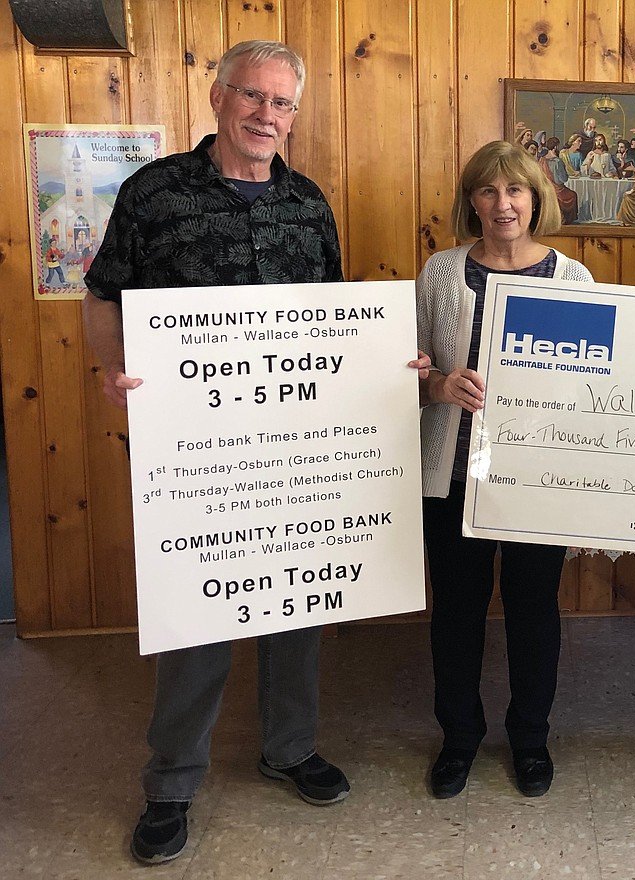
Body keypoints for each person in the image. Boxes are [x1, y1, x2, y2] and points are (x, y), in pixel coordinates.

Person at [83, 40, 361, 865]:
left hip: (295, 447)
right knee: (195, 611)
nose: (267, 116)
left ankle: (288, 748)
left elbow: (336, 322)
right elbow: (102, 294)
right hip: (193, 452)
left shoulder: (309, 204)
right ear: (217, 97)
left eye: (283, 104)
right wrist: (110, 367)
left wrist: (387, 365)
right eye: (254, 97)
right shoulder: (155, 192)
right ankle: (171, 782)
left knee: (297, 598)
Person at [415, 140, 594, 800]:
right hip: (453, 477)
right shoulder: (440, 274)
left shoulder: (572, 279)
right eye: (488, 191)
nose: (502, 203)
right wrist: (437, 386)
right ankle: (459, 737)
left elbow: (592, 387)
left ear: (535, 197)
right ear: (473, 202)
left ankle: (530, 738)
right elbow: (407, 370)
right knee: (456, 615)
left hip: (533, 485)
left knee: (533, 613)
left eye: (514, 190)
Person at [537, 136, 579, 225]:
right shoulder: (557, 161)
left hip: (545, 188)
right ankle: (566, 220)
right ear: (555, 147)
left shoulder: (541, 160)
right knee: (573, 195)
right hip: (556, 190)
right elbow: (561, 180)